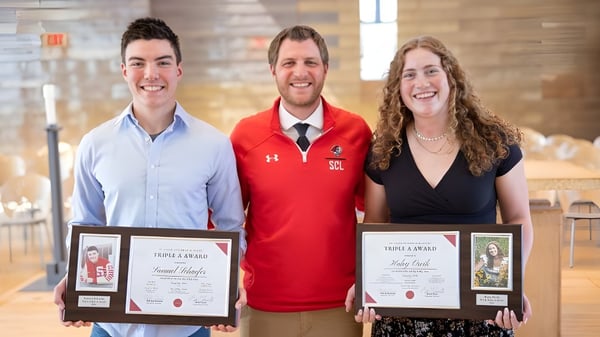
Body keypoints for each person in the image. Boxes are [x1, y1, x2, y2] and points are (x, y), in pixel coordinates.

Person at [52, 17, 246, 337]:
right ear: (124, 71)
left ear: (178, 70)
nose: (151, 74)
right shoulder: (95, 144)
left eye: (162, 62)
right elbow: (86, 225)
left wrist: (221, 288)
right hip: (113, 325)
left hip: (188, 325)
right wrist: (77, 278)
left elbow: (231, 227)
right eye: (138, 63)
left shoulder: (214, 145)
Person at [344, 35, 534, 336]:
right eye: (409, 74)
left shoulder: (495, 142)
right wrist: (369, 283)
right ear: (398, 88)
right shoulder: (384, 150)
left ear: (452, 77)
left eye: (431, 70)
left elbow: (518, 219)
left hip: (480, 312)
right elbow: (376, 225)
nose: (421, 82)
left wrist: (511, 283)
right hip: (404, 316)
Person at [229, 25, 372, 337]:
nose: (300, 72)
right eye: (289, 63)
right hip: (263, 307)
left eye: (310, 62)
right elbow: (228, 219)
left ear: (325, 69)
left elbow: (375, 215)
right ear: (273, 70)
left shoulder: (356, 132)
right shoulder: (245, 136)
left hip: (339, 307)